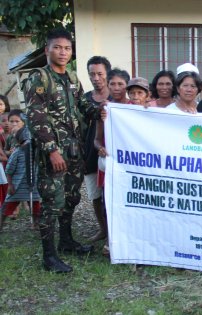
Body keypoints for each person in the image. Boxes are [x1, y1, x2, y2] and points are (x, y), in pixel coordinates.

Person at [25, 29, 97, 273]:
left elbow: (84, 106)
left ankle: (66, 242)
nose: (63, 52)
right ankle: (49, 257)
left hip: (74, 151)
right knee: (51, 202)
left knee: (71, 198)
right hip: (53, 154)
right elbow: (36, 117)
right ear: (47, 50)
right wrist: (51, 150)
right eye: (57, 47)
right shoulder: (39, 78)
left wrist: (104, 111)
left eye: (67, 48)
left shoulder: (72, 78)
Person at [84, 56, 111, 243]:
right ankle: (102, 229)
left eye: (100, 74)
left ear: (107, 74)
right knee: (95, 194)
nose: (96, 78)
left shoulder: (117, 97)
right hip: (90, 152)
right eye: (92, 74)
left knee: (111, 193)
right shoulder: (84, 99)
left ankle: (114, 230)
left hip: (111, 153)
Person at [0, 127, 41, 232]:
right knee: (8, 206)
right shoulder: (17, 153)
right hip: (17, 185)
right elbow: (9, 170)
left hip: (32, 185)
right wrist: (10, 185)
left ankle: (35, 224)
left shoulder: (36, 153)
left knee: (35, 205)